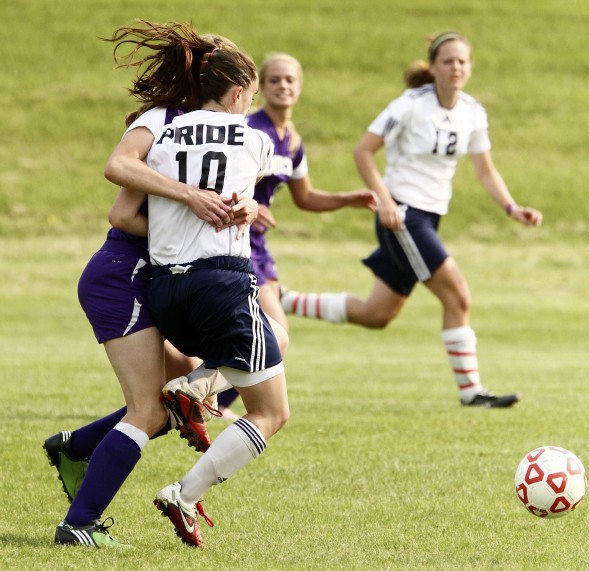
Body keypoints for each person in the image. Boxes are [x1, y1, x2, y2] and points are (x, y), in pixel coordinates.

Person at [49, 21, 259, 548]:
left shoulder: (209, 133)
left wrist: (240, 209)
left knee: (184, 385)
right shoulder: (161, 121)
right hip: (124, 276)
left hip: (158, 276)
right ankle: (79, 525)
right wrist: (190, 203)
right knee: (150, 409)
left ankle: (76, 447)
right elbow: (122, 201)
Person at [281, 32, 543, 408]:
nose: (456, 68)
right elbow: (363, 152)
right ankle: (472, 393)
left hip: (428, 218)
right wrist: (385, 201)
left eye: (462, 62)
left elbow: (485, 170)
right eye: (448, 61)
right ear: (434, 66)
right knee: (458, 296)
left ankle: (285, 300)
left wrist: (511, 207)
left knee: (377, 314)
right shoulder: (410, 105)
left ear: (470, 67)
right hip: (403, 216)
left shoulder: (472, 112)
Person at [103, 26, 290, 549]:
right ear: (236, 95)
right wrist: (248, 208)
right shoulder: (254, 138)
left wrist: (239, 208)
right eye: (249, 97)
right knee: (272, 411)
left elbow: (127, 201)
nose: (248, 106)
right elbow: (239, 203)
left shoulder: (162, 132)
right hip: (221, 285)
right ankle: (185, 487)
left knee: (267, 342)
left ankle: (199, 385)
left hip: (166, 295)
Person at [217, 52, 378, 419]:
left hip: (259, 248)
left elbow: (305, 198)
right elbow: (220, 178)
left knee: (269, 337)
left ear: (300, 86)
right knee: (273, 335)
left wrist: (347, 199)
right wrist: (249, 203)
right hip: (234, 240)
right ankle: (207, 397)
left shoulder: (290, 140)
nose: (283, 86)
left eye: (290, 80)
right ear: (261, 88)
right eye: (274, 80)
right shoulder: (250, 129)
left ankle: (212, 402)